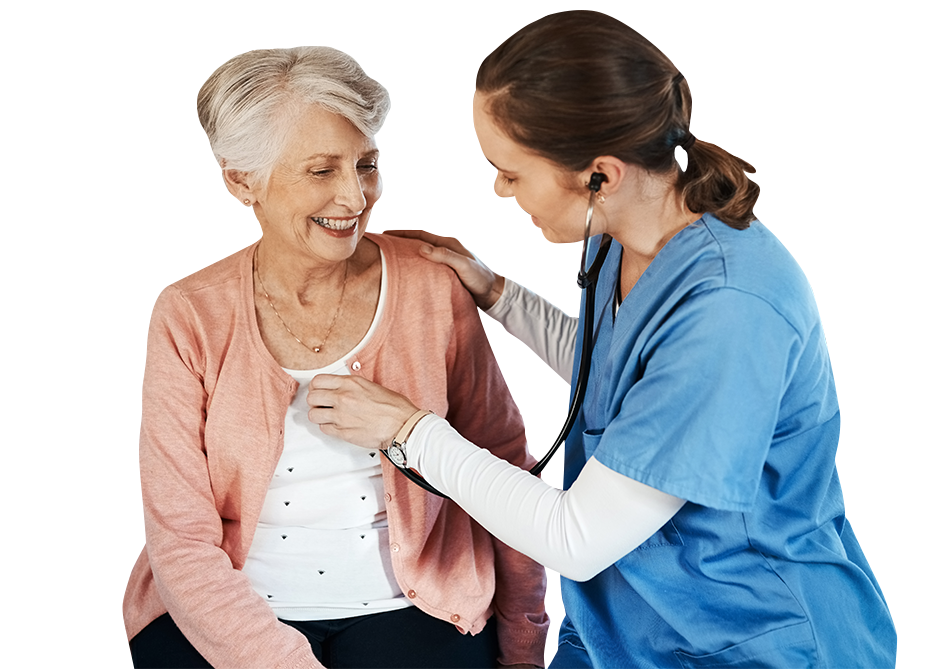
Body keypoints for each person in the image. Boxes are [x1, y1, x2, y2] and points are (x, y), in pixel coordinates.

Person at [307, 11, 899, 669]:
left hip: (749, 635)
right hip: (636, 620)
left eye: (511, 171)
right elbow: (615, 371)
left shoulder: (729, 309)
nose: (500, 190)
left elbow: (574, 536)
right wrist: (499, 294)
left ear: (600, 175)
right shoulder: (634, 239)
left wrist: (409, 429)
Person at [120, 40, 552, 669]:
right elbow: (180, 540)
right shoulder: (189, 313)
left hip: (412, 608)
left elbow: (504, 461)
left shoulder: (432, 285)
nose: (356, 198)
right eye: (322, 170)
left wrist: (525, 637)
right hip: (231, 609)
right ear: (243, 180)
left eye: (367, 164)